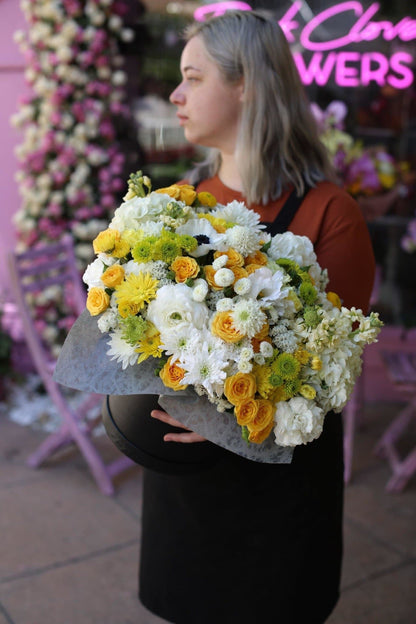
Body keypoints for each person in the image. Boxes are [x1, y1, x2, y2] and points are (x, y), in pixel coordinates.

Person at [118, 10, 376, 623]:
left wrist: (232, 426)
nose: (175, 95)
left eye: (193, 77)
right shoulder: (181, 203)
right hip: (183, 494)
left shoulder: (331, 215)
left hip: (277, 502)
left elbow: (326, 377)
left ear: (248, 86)